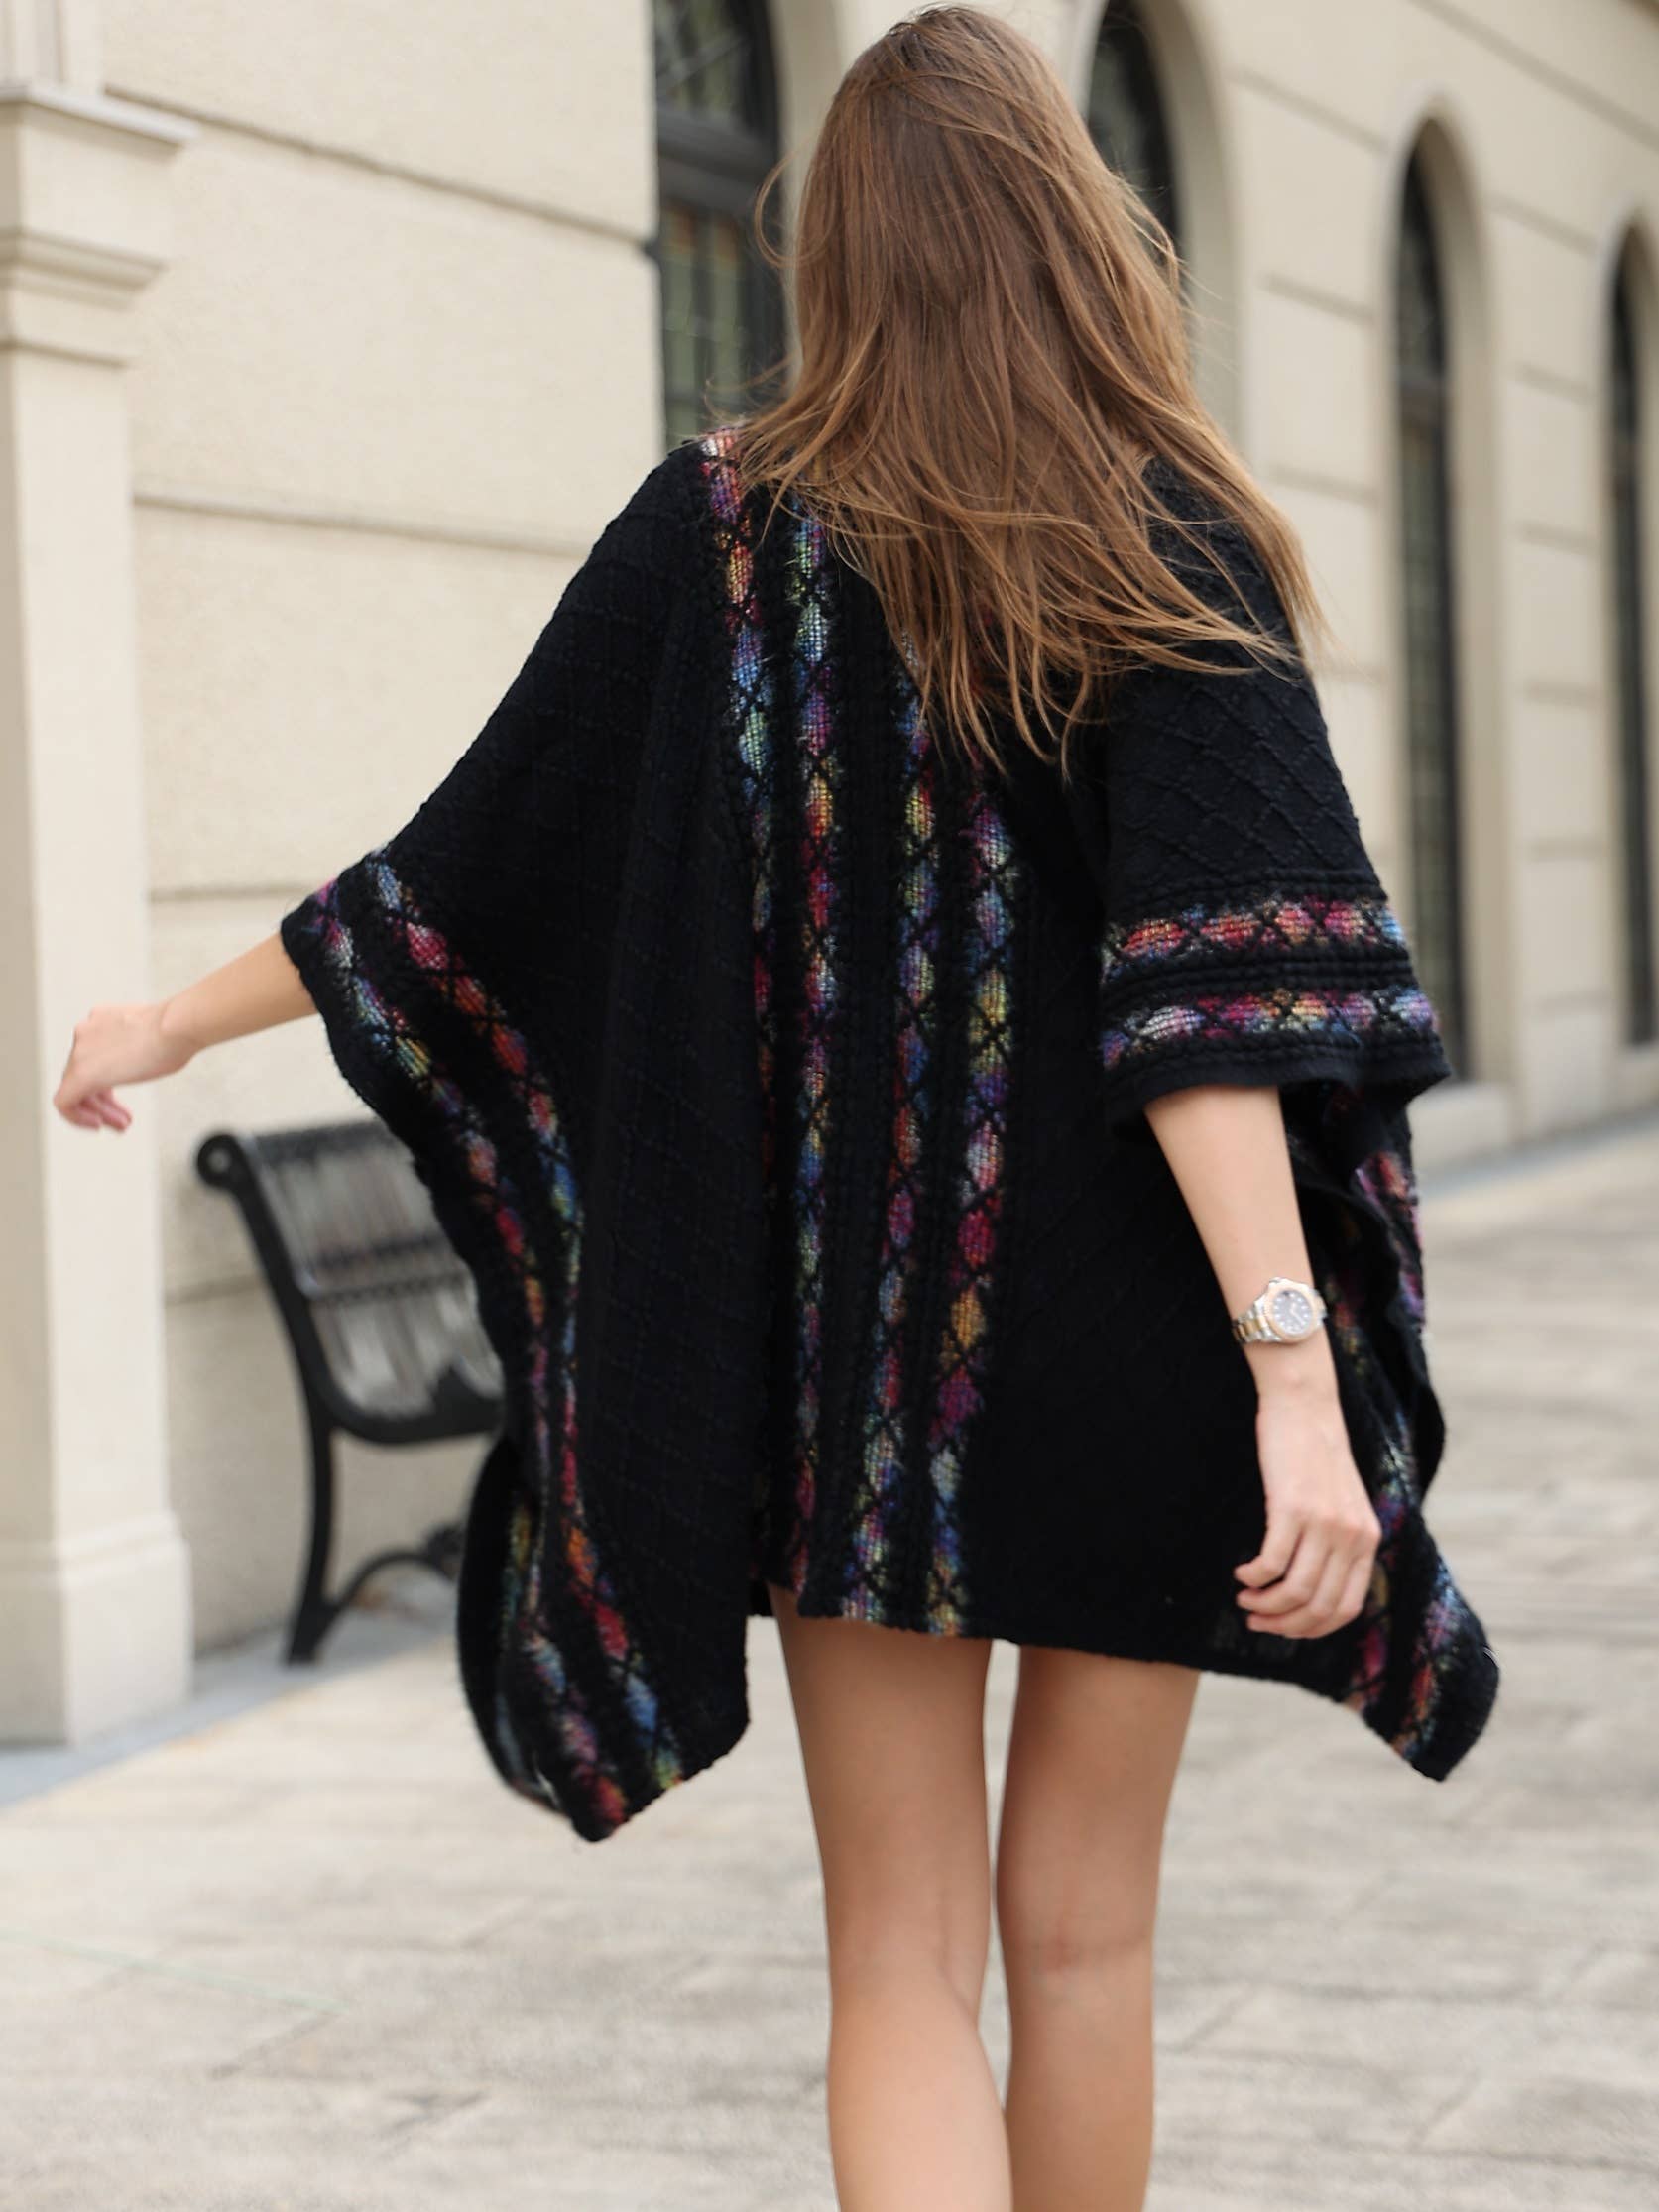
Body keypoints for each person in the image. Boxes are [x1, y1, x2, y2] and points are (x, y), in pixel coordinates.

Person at [54, 9, 1497, 2208]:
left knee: (898, 1965)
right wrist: (1297, 1382)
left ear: (839, 256)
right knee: (1086, 1941)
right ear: (1073, 234)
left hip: (864, 1391)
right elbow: (1219, 1010)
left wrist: (171, 1016)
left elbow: (455, 877)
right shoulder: (1164, 535)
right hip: (1147, 1367)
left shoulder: (714, 540)